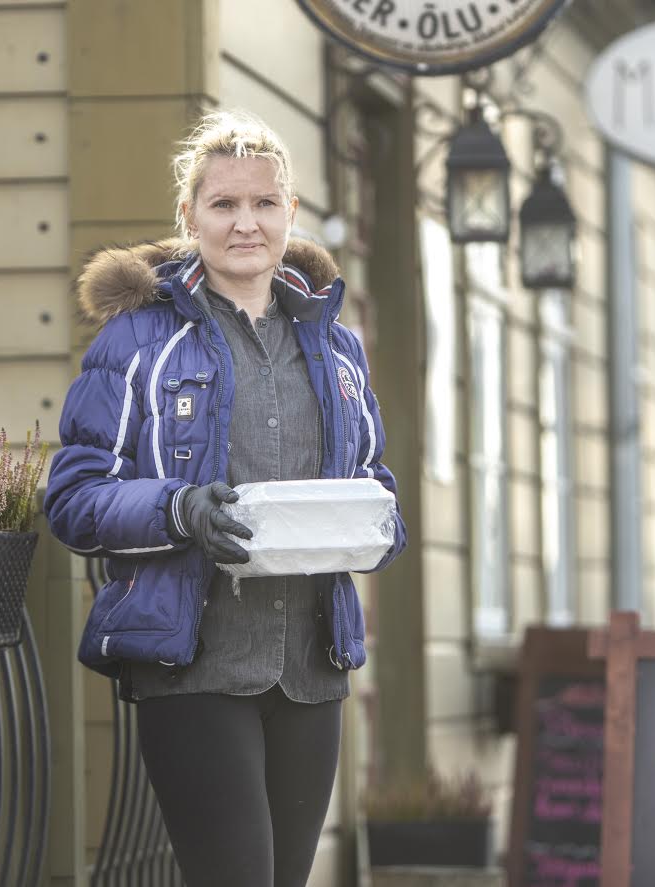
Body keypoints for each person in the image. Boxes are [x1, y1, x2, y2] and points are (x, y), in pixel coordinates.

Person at [44, 109, 406, 887]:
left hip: (311, 668)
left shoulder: (335, 343)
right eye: (224, 205)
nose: (247, 222)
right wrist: (180, 510)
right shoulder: (138, 339)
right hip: (192, 661)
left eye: (264, 203)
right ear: (189, 217)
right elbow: (74, 497)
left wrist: (377, 524)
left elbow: (374, 478)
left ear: (291, 214)